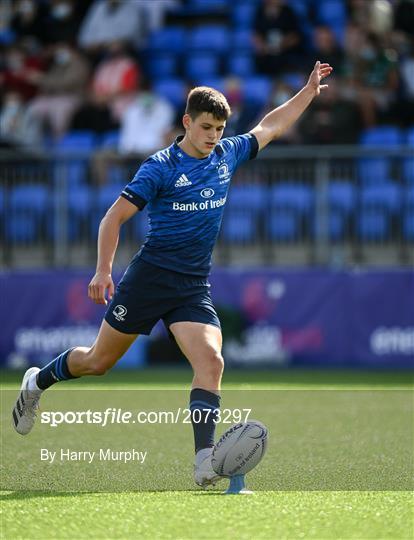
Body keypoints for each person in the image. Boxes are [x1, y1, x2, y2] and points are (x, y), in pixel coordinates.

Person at [12, 61, 333, 488]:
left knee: (211, 360)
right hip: (149, 279)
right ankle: (37, 381)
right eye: (206, 128)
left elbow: (269, 126)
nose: (213, 136)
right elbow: (113, 218)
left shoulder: (226, 155)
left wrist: (308, 91)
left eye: (219, 128)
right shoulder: (160, 166)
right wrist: (103, 270)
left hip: (192, 287)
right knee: (97, 361)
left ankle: (204, 462)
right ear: (186, 122)